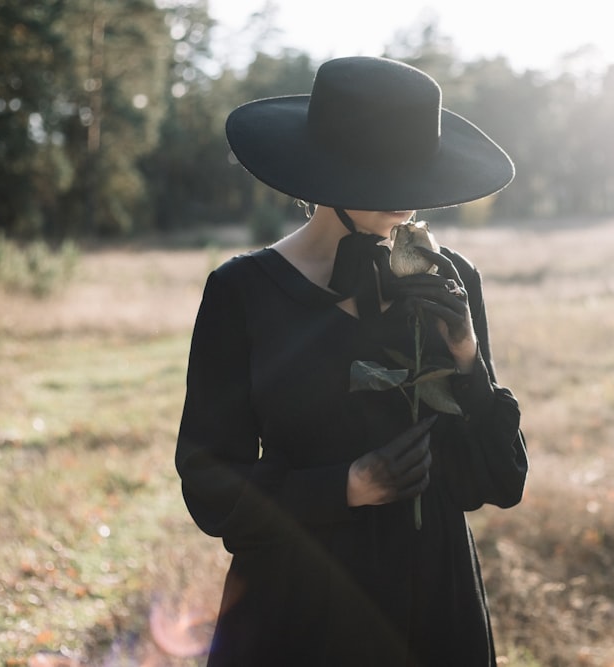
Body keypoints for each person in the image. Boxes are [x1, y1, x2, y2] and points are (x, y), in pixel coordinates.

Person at [175, 56, 528, 666]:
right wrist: (344, 488)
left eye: (418, 178)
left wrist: (469, 357)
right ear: (326, 175)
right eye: (387, 179)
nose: (410, 201)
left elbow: (499, 480)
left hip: (435, 604)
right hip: (300, 602)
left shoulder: (451, 279)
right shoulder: (243, 293)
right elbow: (210, 484)